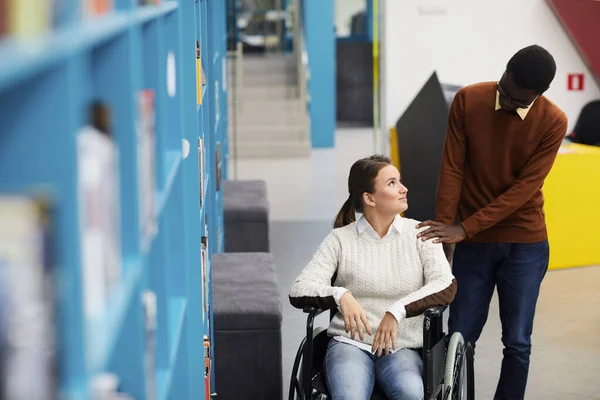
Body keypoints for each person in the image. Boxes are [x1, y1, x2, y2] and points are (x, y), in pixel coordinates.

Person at [416, 45, 568, 400]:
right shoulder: (469, 100)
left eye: (518, 101)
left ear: (539, 95)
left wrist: (465, 227)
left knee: (517, 342)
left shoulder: (553, 121)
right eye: (505, 92)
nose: (508, 102)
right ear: (505, 72)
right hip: (474, 245)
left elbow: (524, 190)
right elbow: (452, 168)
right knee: (458, 336)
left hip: (525, 244)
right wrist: (444, 232)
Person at [289, 155, 456, 400]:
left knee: (411, 393)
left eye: (400, 181)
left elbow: (445, 283)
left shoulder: (421, 235)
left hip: (403, 346)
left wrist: (397, 310)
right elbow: (299, 288)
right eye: (392, 183)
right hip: (350, 344)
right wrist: (340, 295)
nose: (403, 188)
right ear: (369, 198)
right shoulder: (340, 240)